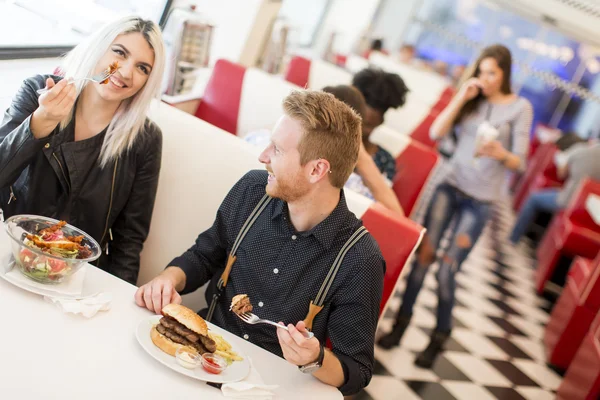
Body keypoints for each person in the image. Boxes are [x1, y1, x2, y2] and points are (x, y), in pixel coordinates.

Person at [135, 90, 385, 396]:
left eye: (277, 150)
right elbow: (204, 255)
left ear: (317, 169)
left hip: (274, 388)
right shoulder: (252, 190)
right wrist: (167, 279)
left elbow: (356, 370)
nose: (263, 156)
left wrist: (315, 358)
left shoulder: (360, 258)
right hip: (201, 360)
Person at [377, 44, 533, 367]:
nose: (485, 79)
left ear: (505, 73)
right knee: (423, 260)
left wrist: (500, 154)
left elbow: (520, 162)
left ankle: (439, 337)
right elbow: (437, 132)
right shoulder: (471, 98)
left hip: (481, 201)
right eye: (481, 71)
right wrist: (463, 95)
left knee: (447, 270)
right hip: (450, 187)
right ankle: (399, 327)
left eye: (492, 73)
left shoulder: (520, 108)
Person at [0, 16, 165, 284]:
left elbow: (129, 240)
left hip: (75, 275)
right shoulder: (37, 91)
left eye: (142, 68)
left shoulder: (144, 140)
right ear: (99, 47)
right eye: (119, 53)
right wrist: (40, 123)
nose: (124, 72)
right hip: (10, 249)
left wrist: (119, 304)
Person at [322, 85, 404, 216]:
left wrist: (359, 154)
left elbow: (395, 216)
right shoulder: (314, 150)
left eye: (367, 125)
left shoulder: (372, 160)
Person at [509, 134, 600, 244]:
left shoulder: (581, 150)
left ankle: (513, 239)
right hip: (587, 214)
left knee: (533, 198)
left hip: (568, 201)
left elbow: (561, 174)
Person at [352, 68, 409, 181]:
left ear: (381, 120)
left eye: (371, 126)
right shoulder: (323, 142)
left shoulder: (385, 161)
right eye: (364, 124)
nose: (367, 131)